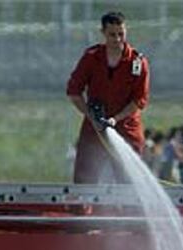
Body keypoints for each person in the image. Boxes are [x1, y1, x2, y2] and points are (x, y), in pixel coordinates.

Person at [66, 11, 150, 183]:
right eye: (112, 34)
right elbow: (73, 91)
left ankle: (128, 210)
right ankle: (82, 209)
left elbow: (139, 100)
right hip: (94, 127)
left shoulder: (137, 63)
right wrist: (92, 115)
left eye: (121, 34)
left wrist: (115, 119)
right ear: (103, 33)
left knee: (129, 181)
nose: (117, 39)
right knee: (85, 176)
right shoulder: (91, 58)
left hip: (126, 127)